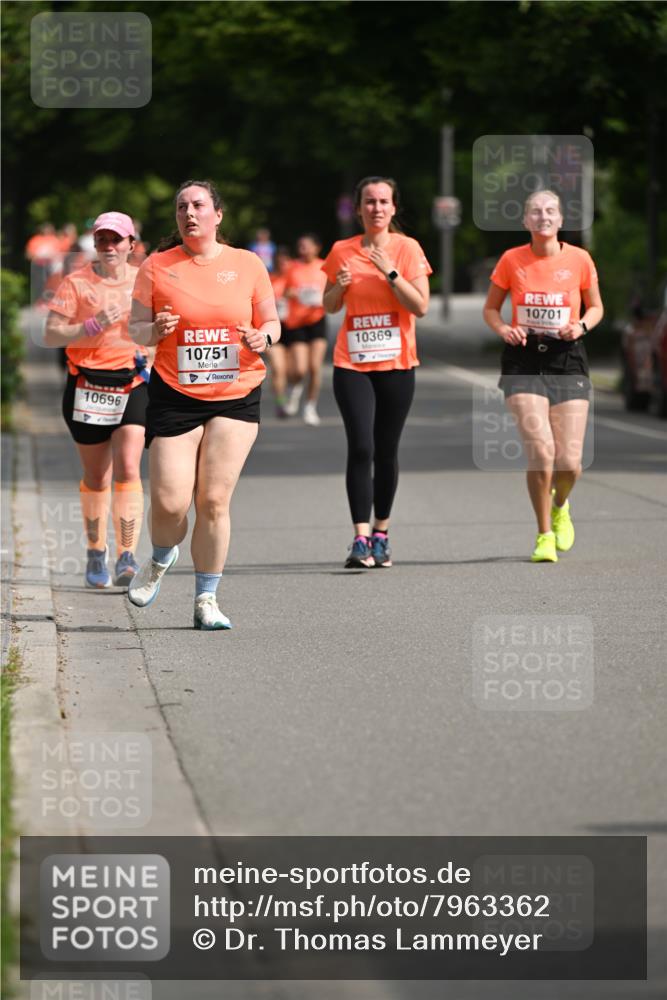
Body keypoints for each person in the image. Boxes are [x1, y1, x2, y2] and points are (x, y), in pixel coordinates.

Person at [127, 179, 280, 629]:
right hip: (175, 392)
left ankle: (206, 599)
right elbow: (134, 330)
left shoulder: (247, 264)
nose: (189, 213)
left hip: (237, 391)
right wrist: (154, 328)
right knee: (171, 504)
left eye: (198, 205)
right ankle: (159, 557)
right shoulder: (156, 266)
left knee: (213, 499)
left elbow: (272, 320)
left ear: (218, 215)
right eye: (181, 207)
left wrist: (263, 336)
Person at [483, 189, 604, 562]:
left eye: (550, 211)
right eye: (535, 212)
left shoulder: (580, 259)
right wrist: (504, 329)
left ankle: (560, 505)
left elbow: (596, 306)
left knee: (569, 462)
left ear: (561, 219)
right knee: (541, 452)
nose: (543, 217)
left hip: (567, 358)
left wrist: (581, 326)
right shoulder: (511, 260)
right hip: (523, 360)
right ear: (525, 221)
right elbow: (491, 309)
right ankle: (544, 535)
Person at [322, 176, 431, 568]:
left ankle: (382, 532)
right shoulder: (342, 250)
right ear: (359, 208)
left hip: (398, 364)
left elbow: (420, 307)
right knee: (361, 447)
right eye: (369, 202)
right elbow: (330, 305)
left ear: (394, 208)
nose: (377, 208)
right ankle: (360, 539)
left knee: (386, 451)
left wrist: (391, 272)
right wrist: (339, 287)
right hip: (352, 363)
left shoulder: (407, 249)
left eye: (384, 201)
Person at [44, 212, 149, 588]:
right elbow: (52, 334)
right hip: (88, 385)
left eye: (117, 240)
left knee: (129, 468)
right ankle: (95, 549)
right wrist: (92, 324)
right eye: (102, 240)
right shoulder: (75, 283)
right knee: (96, 476)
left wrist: (159, 332)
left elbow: (159, 326)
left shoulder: (145, 280)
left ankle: (127, 554)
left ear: (131, 245)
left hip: (132, 382)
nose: (109, 247)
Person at [282, 233, 328, 425]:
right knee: (300, 369)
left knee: (315, 367)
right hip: (297, 322)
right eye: (300, 246)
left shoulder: (324, 266)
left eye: (306, 246)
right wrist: (293, 293)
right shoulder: (292, 267)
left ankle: (310, 406)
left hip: (317, 319)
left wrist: (323, 297)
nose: (303, 249)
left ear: (316, 248)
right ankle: (294, 388)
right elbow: (283, 291)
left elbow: (331, 291)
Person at [268, 245, 292, 417]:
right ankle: (280, 402)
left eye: (285, 262)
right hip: (273, 328)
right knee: (278, 368)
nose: (282, 265)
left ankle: (290, 392)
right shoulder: (268, 279)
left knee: (294, 370)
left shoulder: (296, 279)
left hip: (294, 328)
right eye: (279, 262)